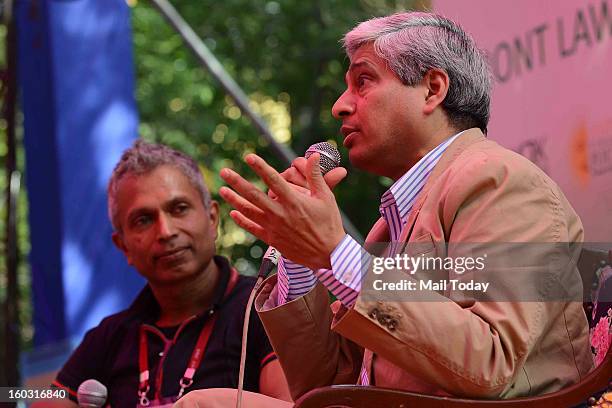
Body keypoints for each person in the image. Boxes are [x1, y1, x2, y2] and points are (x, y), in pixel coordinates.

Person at [213, 11, 593, 402]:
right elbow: (327, 386)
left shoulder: (501, 179)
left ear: (432, 89)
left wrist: (335, 254)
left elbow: (492, 361)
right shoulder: (394, 220)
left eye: (363, 81)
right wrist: (300, 258)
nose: (340, 106)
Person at [35, 141, 290, 407]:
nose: (166, 231)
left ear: (212, 218)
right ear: (123, 247)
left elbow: (292, 403)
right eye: (143, 220)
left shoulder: (264, 307)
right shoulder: (109, 336)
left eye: (179, 209)